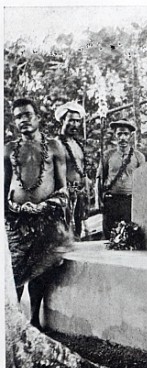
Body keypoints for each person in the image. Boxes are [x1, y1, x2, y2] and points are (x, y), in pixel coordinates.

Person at [4, 98, 72, 329]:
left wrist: (45, 206)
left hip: (45, 220)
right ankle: (13, 323)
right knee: (15, 273)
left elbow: (63, 190)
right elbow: (3, 190)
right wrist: (13, 208)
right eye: (18, 116)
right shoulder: (9, 150)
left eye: (27, 115)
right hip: (17, 222)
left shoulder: (54, 147)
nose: (23, 120)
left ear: (38, 118)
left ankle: (34, 321)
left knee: (39, 273)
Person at [97, 118, 146, 238]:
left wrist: (142, 204)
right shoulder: (107, 155)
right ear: (115, 135)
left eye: (126, 134)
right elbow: (99, 179)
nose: (123, 137)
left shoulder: (138, 156)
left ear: (130, 136)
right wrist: (99, 201)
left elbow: (144, 182)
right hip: (111, 201)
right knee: (109, 237)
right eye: (119, 134)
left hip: (129, 202)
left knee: (128, 237)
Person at [55, 102, 89, 239]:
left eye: (77, 121)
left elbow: (82, 170)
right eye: (71, 120)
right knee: (64, 232)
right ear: (63, 120)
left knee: (77, 232)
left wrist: (86, 187)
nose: (75, 125)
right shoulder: (56, 144)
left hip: (79, 194)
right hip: (64, 196)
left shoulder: (77, 144)